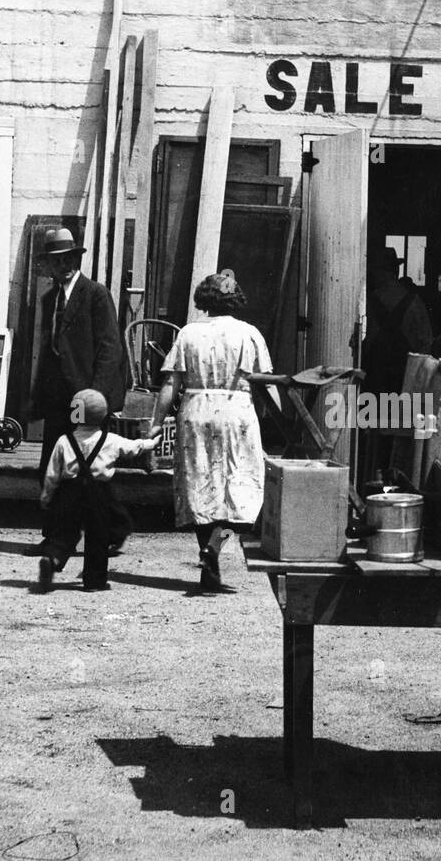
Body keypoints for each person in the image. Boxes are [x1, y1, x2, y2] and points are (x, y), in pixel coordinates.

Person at [147, 272, 271, 594]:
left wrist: (157, 423)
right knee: (243, 493)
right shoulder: (249, 333)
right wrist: (284, 421)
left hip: (196, 411)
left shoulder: (189, 333)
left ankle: (209, 555)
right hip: (236, 413)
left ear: (203, 299)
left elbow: (171, 383)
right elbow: (266, 383)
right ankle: (217, 546)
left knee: (201, 490)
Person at [30, 226, 131, 554]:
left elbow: (109, 349)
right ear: (48, 264)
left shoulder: (95, 294)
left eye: (70, 258)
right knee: (55, 461)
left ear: (77, 258)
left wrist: (97, 397)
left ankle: (114, 528)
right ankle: (54, 535)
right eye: (58, 260)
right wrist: (40, 396)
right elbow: (49, 351)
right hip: (59, 396)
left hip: (87, 396)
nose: (65, 265)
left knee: (91, 463)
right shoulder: (50, 299)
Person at [37, 389, 156, 593]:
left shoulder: (64, 441)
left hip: (68, 492)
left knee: (65, 531)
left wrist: (47, 497)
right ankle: (94, 581)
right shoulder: (110, 440)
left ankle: (53, 558)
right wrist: (152, 442)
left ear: (75, 412)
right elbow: (133, 447)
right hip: (98, 492)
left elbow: (51, 474)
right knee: (98, 536)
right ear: (103, 415)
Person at [360, 245, 433, 477]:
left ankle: (374, 475)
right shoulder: (414, 301)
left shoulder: (370, 302)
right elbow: (426, 343)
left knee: (375, 433)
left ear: (381, 272)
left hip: (378, 379)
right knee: (402, 433)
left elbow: (364, 343)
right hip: (406, 378)